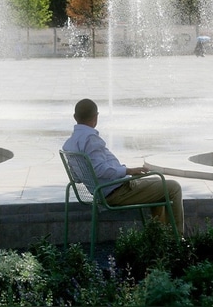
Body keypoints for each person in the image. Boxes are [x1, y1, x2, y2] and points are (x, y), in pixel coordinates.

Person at [62, 98, 184, 235]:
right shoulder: (90, 138)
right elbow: (100, 170)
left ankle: (159, 236)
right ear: (96, 118)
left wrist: (125, 174)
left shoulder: (69, 144)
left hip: (103, 191)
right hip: (116, 192)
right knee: (173, 187)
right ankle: (176, 239)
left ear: (75, 117)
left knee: (157, 183)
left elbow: (77, 178)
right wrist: (129, 171)